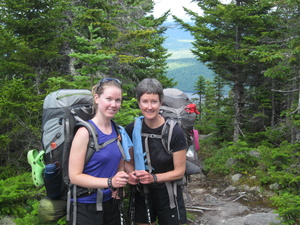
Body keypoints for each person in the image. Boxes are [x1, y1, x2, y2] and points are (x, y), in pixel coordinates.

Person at [68, 77, 133, 225]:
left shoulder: (116, 130)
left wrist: (120, 181)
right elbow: (75, 176)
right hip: (85, 206)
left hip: (110, 203)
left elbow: (119, 163)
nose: (113, 104)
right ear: (97, 98)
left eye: (118, 100)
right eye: (108, 99)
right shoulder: (85, 132)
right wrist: (110, 182)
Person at [126, 78, 188, 225]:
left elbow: (180, 171)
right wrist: (132, 174)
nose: (149, 107)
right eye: (145, 101)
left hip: (168, 193)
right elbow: (128, 161)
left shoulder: (174, 132)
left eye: (154, 101)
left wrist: (153, 178)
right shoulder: (132, 129)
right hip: (141, 192)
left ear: (161, 102)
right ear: (138, 102)